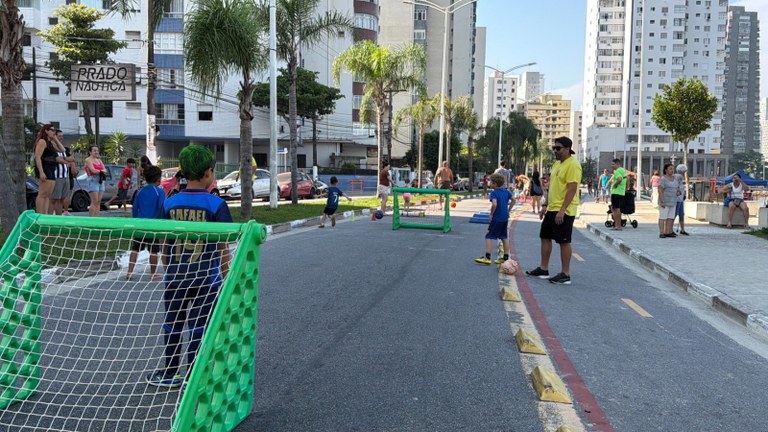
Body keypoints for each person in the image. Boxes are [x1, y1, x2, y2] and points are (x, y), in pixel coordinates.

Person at [146, 145, 232, 388]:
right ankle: (193, 376)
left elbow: (165, 242)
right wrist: (226, 278)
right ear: (207, 173)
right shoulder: (216, 205)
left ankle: (170, 372)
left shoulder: (170, 203)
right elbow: (222, 247)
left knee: (172, 323)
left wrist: (167, 269)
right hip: (206, 279)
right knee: (199, 326)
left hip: (175, 277)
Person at [526, 136, 581, 285]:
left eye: (558, 148)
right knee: (545, 236)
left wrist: (562, 210)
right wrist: (545, 205)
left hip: (565, 210)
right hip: (552, 208)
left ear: (567, 149)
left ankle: (565, 274)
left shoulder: (573, 165)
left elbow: (572, 189)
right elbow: (553, 188)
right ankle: (543, 269)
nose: (555, 151)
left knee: (564, 241)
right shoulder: (557, 164)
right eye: (554, 148)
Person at [127, 166, 165, 281]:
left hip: (140, 224)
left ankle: (129, 272)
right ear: (158, 179)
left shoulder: (140, 191)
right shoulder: (159, 192)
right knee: (153, 250)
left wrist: (136, 220)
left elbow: (135, 208)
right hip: (153, 226)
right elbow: (161, 208)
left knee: (135, 249)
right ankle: (153, 274)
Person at [474, 173, 512, 265]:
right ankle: (505, 257)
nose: (490, 184)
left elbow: (494, 204)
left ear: (495, 184)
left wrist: (491, 214)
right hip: (504, 218)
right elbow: (514, 200)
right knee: (504, 237)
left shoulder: (494, 193)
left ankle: (487, 257)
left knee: (489, 236)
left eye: (491, 182)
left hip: (497, 218)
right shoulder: (506, 192)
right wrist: (508, 210)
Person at [33, 124, 59, 215]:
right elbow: (37, 157)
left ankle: (45, 214)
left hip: (52, 167)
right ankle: (40, 214)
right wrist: (41, 172)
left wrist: (55, 138)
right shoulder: (42, 141)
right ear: (46, 131)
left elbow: (62, 149)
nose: (53, 132)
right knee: (42, 193)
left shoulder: (50, 143)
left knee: (48, 194)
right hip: (45, 167)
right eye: (51, 130)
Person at [50, 129, 75, 215]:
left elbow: (72, 158)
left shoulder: (63, 148)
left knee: (62, 198)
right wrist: (65, 160)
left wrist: (64, 159)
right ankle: (51, 216)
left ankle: (59, 216)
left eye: (62, 136)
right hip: (57, 176)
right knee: (55, 198)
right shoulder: (52, 147)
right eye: (59, 136)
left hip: (65, 175)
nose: (61, 138)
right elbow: (57, 159)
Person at [84, 145, 108, 217]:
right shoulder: (88, 160)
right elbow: (93, 170)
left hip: (100, 180)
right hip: (93, 180)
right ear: (90, 152)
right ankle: (91, 218)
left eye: (97, 150)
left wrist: (100, 171)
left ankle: (97, 217)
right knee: (94, 201)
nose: (96, 152)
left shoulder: (99, 160)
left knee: (98, 201)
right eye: (94, 150)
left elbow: (105, 170)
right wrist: (101, 171)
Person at [657, 163, 679, 238]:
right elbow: (660, 190)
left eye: (673, 169)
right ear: (666, 170)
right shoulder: (663, 179)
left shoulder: (675, 179)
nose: (672, 170)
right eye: (670, 169)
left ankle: (668, 232)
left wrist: (678, 192)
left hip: (673, 202)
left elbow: (677, 188)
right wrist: (662, 201)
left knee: (670, 217)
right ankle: (662, 232)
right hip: (665, 202)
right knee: (663, 217)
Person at [608, 159, 627, 231]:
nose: (612, 166)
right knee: (617, 208)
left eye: (613, 164)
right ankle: (618, 225)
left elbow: (619, 179)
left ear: (617, 164)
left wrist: (615, 185)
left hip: (616, 192)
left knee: (615, 209)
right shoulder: (623, 170)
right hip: (621, 192)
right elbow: (626, 178)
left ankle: (617, 225)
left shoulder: (617, 171)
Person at [674, 164, 689, 235]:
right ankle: (670, 229)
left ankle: (682, 229)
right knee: (676, 214)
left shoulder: (677, 176)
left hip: (680, 198)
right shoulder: (679, 176)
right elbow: (677, 186)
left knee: (681, 214)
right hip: (678, 199)